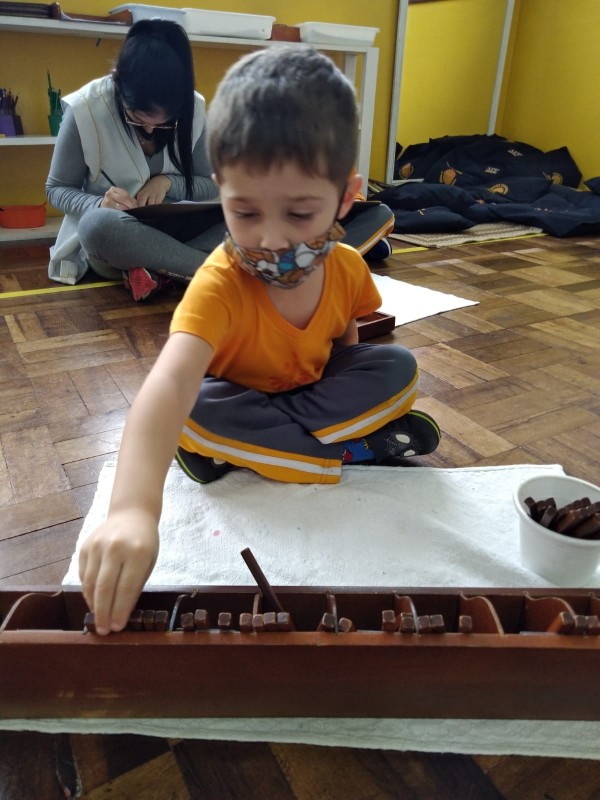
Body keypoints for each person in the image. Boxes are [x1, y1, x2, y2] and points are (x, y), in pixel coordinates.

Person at [79, 46, 441, 635]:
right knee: (190, 407)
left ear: (346, 198)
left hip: (304, 396)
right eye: (245, 213)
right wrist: (131, 511)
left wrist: (344, 375)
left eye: (299, 214)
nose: (271, 239)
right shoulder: (218, 283)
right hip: (234, 399)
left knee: (398, 366)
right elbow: (166, 386)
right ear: (220, 192)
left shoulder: (349, 267)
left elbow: (347, 342)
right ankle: (342, 452)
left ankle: (246, 455)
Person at [45, 19, 224, 301]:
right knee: (97, 226)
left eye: (165, 123)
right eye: (137, 118)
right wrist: (98, 204)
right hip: (121, 236)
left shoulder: (193, 107)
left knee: (245, 212)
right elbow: (56, 189)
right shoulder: (85, 109)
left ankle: (160, 271)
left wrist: (167, 183)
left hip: (174, 231)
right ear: (118, 82)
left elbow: (210, 184)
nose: (150, 130)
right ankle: (219, 275)